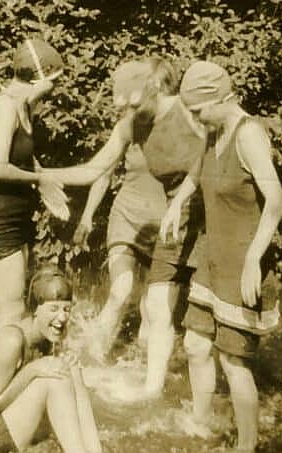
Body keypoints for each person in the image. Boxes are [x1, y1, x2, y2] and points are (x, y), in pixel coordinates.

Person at [43, 57, 207, 398]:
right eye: (122, 107)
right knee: (157, 304)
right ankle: (149, 390)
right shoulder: (130, 126)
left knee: (182, 319)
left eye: (134, 105)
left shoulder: (188, 110)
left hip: (199, 220)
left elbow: (223, 145)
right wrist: (40, 175)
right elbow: (94, 169)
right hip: (164, 224)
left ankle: (182, 388)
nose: (128, 114)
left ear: (154, 89)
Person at [161, 61, 282, 453]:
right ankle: (200, 421)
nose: (195, 120)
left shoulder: (249, 135)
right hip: (212, 255)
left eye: (198, 111)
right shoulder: (213, 131)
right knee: (197, 345)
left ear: (219, 99)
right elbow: (197, 175)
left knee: (234, 362)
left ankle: (247, 446)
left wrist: (254, 259)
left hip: (241, 263)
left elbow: (277, 201)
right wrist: (176, 205)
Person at [0, 37, 69, 345]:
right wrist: (42, 181)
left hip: (11, 220)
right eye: (54, 81)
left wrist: (41, 179)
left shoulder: (23, 106)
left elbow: (19, 156)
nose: (54, 89)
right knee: (10, 314)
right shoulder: (6, 107)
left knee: (8, 312)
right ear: (39, 77)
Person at [71, 62, 171, 362]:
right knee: (120, 291)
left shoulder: (178, 126)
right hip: (127, 218)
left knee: (151, 310)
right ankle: (89, 357)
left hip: (164, 226)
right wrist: (87, 216)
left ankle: (138, 365)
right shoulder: (130, 127)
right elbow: (102, 171)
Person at [0, 267, 106, 453]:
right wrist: (33, 370)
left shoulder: (48, 336)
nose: (62, 317)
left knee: (70, 368)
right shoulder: (11, 340)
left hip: (8, 424)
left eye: (66, 309)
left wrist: (64, 361)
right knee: (54, 378)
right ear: (35, 308)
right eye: (53, 309)